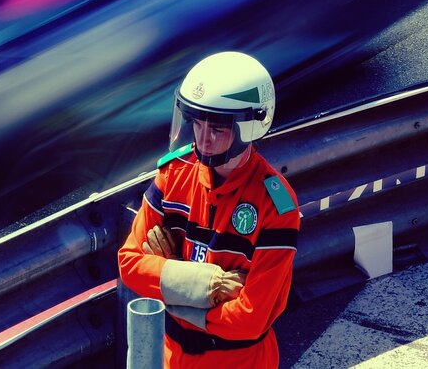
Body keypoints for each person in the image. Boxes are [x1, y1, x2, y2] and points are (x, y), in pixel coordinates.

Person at [117, 51, 300, 368]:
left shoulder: (276, 206)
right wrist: (209, 287)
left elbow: (250, 319)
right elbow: (129, 265)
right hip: (172, 358)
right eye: (196, 123)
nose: (202, 139)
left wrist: (170, 280)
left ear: (251, 127)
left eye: (217, 129)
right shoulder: (172, 175)